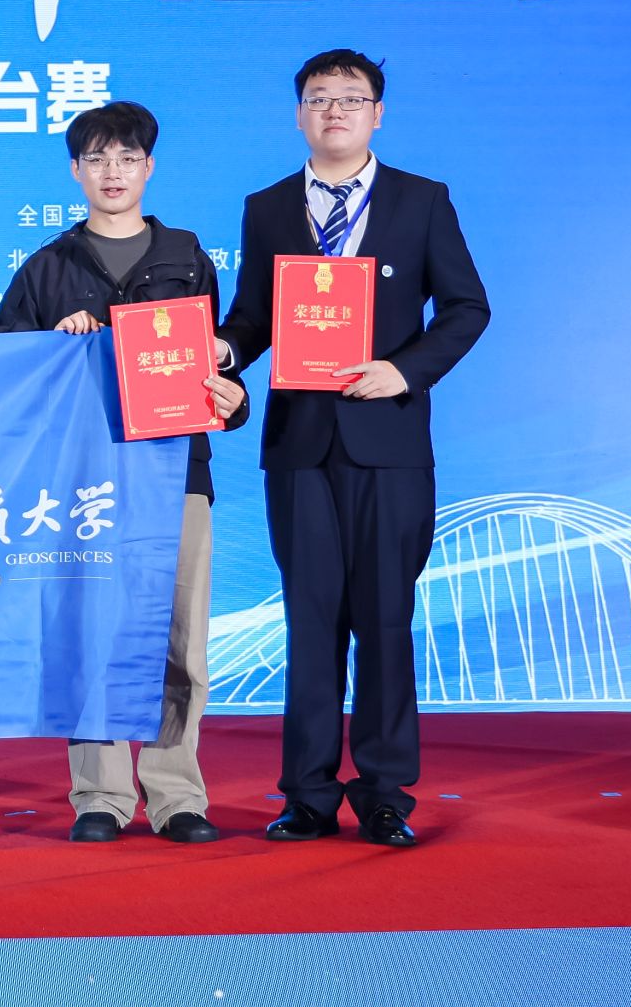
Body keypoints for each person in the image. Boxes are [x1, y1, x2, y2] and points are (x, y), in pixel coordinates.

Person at [216, 49, 488, 849]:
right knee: (310, 623)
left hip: (389, 443)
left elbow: (467, 307)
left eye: (351, 98)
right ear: (299, 113)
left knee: (384, 619)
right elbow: (253, 315)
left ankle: (383, 793)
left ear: (377, 113)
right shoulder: (268, 207)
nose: (334, 110)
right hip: (300, 445)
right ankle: (306, 793)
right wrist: (224, 351)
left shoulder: (421, 199)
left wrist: (403, 370)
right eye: (319, 98)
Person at [0, 101, 248, 845]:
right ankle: (100, 795)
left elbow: (211, 365)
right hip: (84, 484)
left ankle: (176, 795)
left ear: (149, 167)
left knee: (181, 642)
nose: (113, 172)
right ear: (76, 171)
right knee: (92, 635)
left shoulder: (186, 256)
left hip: (176, 475)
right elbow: (7, 375)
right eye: (98, 159)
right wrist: (54, 342)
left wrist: (232, 399)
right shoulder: (48, 267)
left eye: (127, 158)